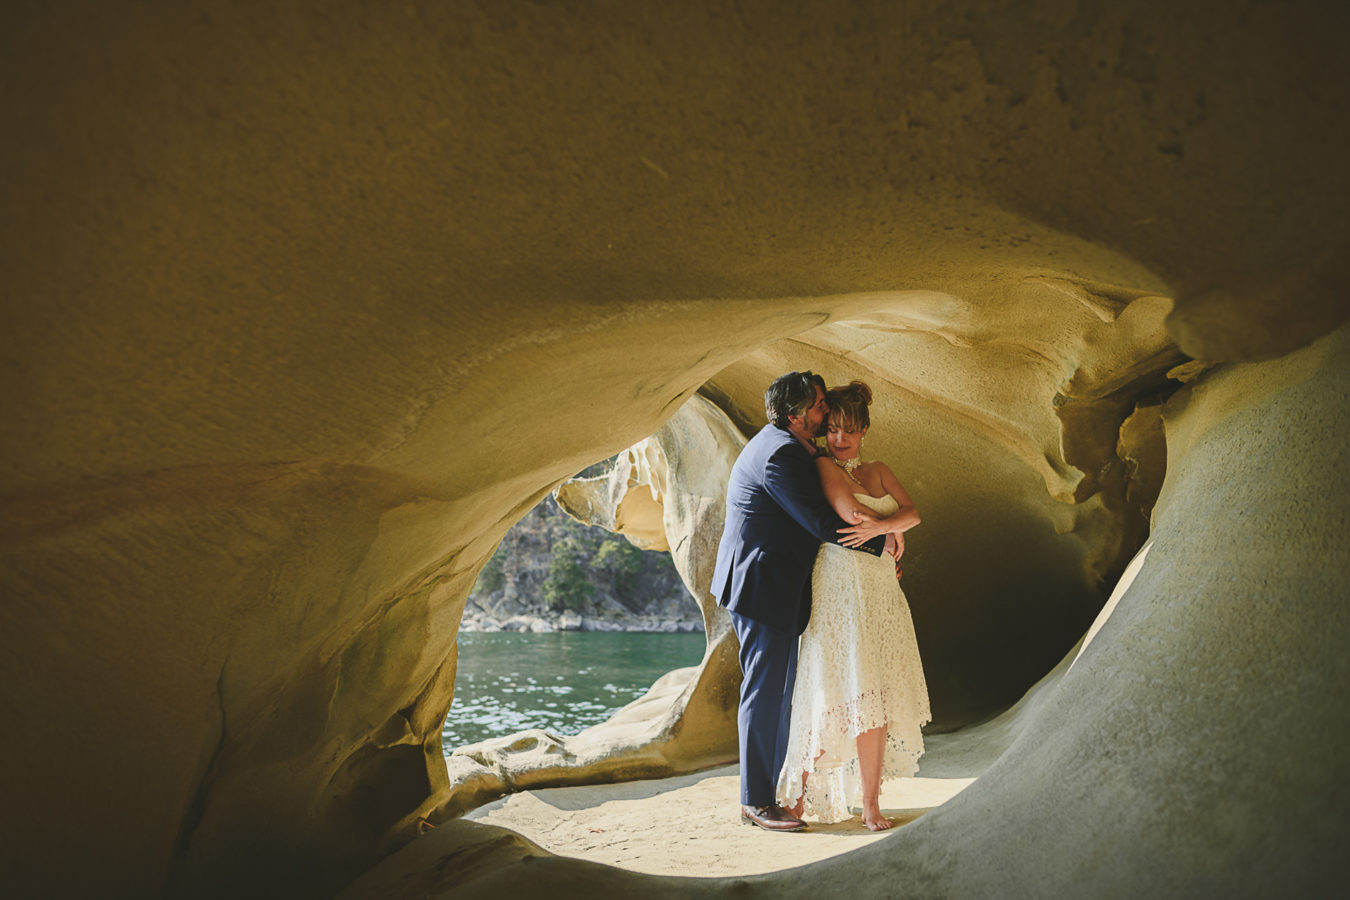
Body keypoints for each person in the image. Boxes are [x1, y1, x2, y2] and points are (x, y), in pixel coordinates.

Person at [710, 371, 899, 832]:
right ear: (796, 416)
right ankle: (756, 802)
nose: (825, 413)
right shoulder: (779, 455)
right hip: (760, 586)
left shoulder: (790, 445)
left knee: (778, 690)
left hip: (773, 586)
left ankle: (770, 794)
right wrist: (885, 546)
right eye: (818, 407)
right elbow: (820, 523)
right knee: (764, 690)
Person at [777, 379, 931, 831]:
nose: (839, 439)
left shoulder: (879, 470)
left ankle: (869, 803)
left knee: (876, 695)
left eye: (849, 431)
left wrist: (894, 528)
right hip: (841, 583)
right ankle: (798, 796)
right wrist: (891, 529)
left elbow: (915, 512)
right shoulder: (825, 465)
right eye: (833, 430)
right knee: (832, 686)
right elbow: (851, 516)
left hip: (881, 588)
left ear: (863, 430)